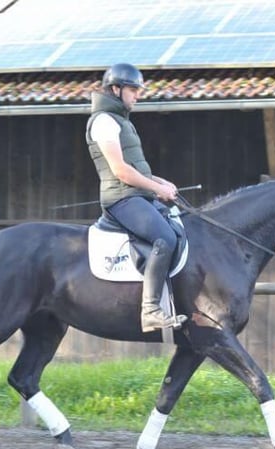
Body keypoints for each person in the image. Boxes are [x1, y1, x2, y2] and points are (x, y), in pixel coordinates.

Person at [86, 62, 186, 333]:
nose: (137, 95)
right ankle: (151, 310)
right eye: (133, 90)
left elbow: (137, 169)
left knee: (178, 227)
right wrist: (157, 189)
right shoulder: (104, 122)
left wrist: (160, 182)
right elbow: (120, 170)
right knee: (163, 238)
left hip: (136, 196)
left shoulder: (120, 121)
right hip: (121, 200)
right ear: (115, 89)